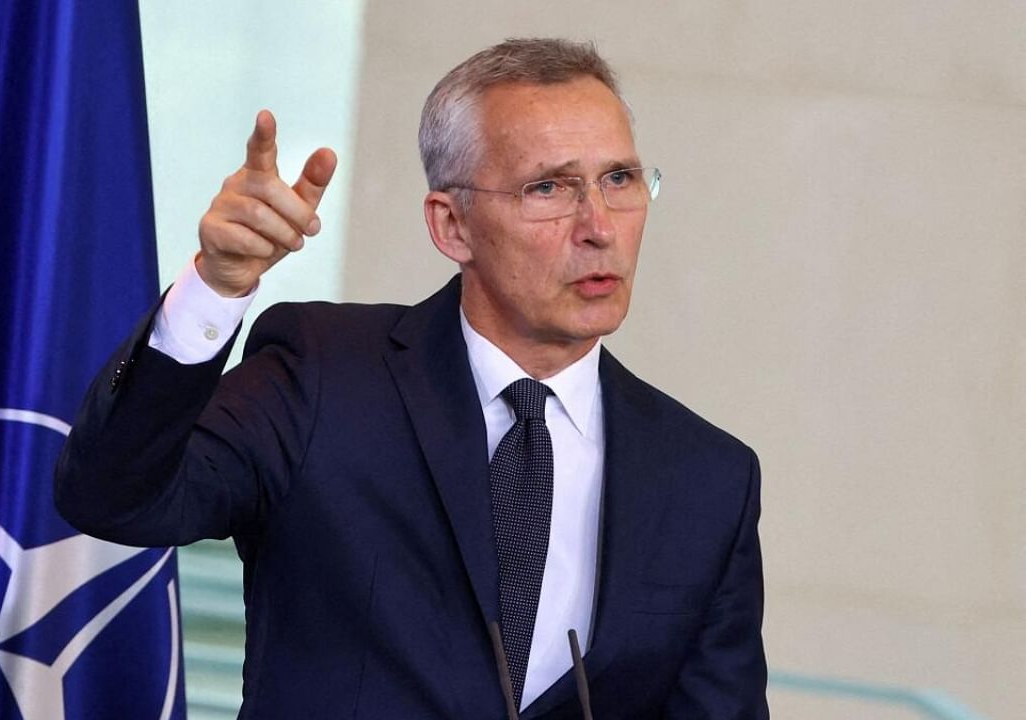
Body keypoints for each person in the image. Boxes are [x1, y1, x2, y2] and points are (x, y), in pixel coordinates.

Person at [56, 38, 767, 719]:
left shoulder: (706, 479)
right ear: (452, 225)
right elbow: (116, 497)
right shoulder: (325, 374)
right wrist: (215, 288)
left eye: (619, 179)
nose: (600, 226)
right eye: (549, 187)